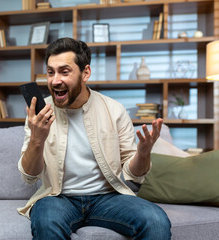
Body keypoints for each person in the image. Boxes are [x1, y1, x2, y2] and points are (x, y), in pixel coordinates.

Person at [17, 37, 171, 240]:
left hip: (108, 198)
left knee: (156, 220)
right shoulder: (39, 115)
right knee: (46, 220)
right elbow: (29, 177)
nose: (55, 81)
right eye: (50, 72)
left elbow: (133, 176)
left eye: (64, 71)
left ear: (85, 73)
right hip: (58, 198)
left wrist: (143, 154)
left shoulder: (114, 110)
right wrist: (37, 139)